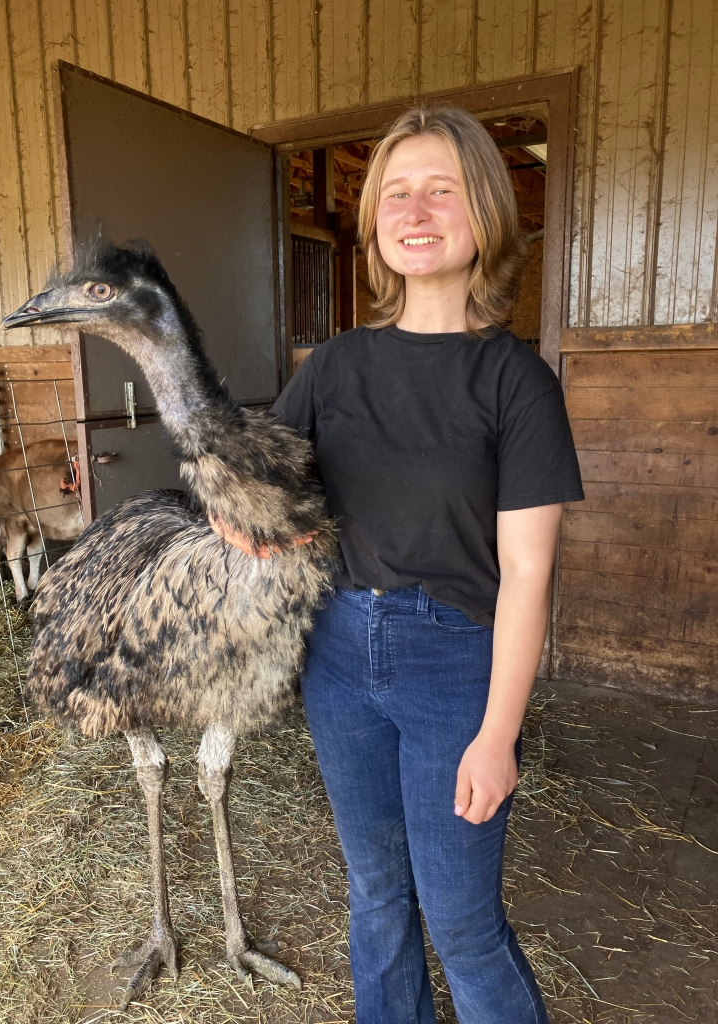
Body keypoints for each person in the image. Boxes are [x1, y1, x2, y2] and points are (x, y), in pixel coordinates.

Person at [212, 105, 584, 1024]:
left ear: (486, 214)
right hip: (337, 657)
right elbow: (252, 489)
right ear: (376, 221)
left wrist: (499, 735)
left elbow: (528, 574)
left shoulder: (514, 381)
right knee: (376, 895)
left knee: (460, 920)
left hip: (452, 663)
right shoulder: (334, 366)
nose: (416, 211)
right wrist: (246, 524)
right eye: (396, 194)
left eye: (442, 190)